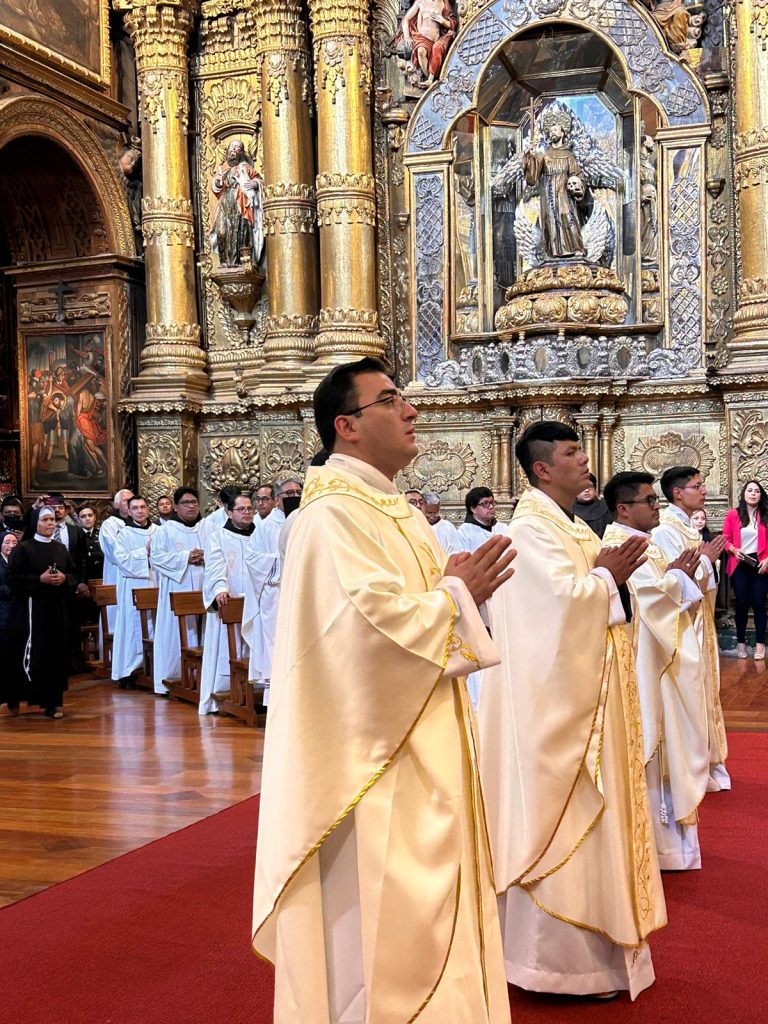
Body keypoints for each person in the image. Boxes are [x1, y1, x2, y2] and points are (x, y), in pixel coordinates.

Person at [252, 357, 516, 1023]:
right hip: (370, 768)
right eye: (391, 400)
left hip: (419, 748)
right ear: (347, 426)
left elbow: (406, 609)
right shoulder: (331, 516)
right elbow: (365, 635)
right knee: (381, 935)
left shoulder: (389, 509)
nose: (411, 410)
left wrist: (449, 586)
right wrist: (459, 595)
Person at [477, 420, 666, 1000]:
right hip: (555, 710)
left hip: (590, 698)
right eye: (570, 452)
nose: (585, 460)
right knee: (564, 821)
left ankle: (597, 959)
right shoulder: (530, 531)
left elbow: (588, 593)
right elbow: (556, 609)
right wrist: (607, 577)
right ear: (541, 469)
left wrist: (608, 576)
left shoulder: (568, 527)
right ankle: (554, 967)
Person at [603, 472, 709, 871]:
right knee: (652, 745)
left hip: (659, 659)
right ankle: (660, 849)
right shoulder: (620, 545)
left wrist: (682, 577)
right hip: (642, 665)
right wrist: (680, 578)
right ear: (623, 509)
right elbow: (648, 600)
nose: (656, 506)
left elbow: (667, 591)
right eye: (648, 501)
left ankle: (673, 848)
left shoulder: (643, 543)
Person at [652, 467, 730, 792]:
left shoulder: (687, 527)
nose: (704, 490)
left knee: (705, 690)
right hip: (684, 623)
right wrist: (707, 561)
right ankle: (689, 767)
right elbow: (676, 583)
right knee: (689, 692)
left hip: (702, 620)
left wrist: (706, 561)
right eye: (697, 486)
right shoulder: (665, 532)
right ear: (677, 493)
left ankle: (708, 761)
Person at [5, 507, 78, 718]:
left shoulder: (60, 549)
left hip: (56, 610)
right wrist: (39, 579)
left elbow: (73, 573)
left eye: (53, 520)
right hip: (30, 610)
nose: (50, 523)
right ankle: (17, 698)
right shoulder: (24, 548)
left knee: (55, 653)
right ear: (35, 523)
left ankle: (53, 703)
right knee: (28, 653)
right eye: (45, 519)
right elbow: (12, 578)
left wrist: (64, 578)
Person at [244, 476, 303, 707]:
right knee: (278, 646)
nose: (295, 497)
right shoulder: (266, 526)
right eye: (289, 494)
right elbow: (252, 559)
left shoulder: (302, 520)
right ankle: (277, 702)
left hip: (299, 594)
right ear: (277, 500)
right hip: (275, 596)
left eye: (299, 491)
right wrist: (284, 561)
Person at [199, 492, 256, 715]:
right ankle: (225, 690)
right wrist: (220, 588)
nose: (247, 512)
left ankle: (258, 689)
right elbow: (214, 566)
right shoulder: (219, 536)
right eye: (241, 509)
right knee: (227, 647)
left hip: (257, 604)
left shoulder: (260, 534)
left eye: (249, 508)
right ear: (229, 513)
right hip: (230, 601)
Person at [150, 487, 206, 696]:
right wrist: (186, 557)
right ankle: (174, 675)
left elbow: (220, 552)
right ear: (175, 507)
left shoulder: (206, 527)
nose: (191, 506)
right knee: (176, 633)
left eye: (194, 502)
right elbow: (156, 558)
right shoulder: (165, 530)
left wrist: (205, 556)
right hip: (177, 589)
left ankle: (203, 677)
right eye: (186, 503)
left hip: (204, 588)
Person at [524, 105, 588, 260]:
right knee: (550, 223)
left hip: (565, 196)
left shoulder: (569, 155)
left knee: (568, 219)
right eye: (550, 130)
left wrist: (578, 186)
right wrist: (530, 157)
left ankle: (576, 249)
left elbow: (578, 175)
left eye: (555, 129)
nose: (552, 132)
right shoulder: (544, 155)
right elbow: (532, 179)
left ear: (563, 132)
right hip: (548, 195)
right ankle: (553, 254)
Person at [111, 496, 157, 688]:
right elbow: (121, 560)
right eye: (135, 508)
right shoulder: (124, 534)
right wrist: (143, 552)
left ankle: (155, 668)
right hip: (133, 586)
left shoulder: (159, 531)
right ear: (128, 511)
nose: (140, 511)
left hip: (155, 583)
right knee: (132, 627)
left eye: (143, 507)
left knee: (155, 625)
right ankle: (129, 670)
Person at [722, 479, 768, 660]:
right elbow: (725, 539)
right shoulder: (733, 515)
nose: (753, 493)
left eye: (757, 491)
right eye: (750, 490)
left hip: (760, 562)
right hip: (740, 561)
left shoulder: (765, 514)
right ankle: (740, 642)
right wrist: (733, 549)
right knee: (741, 603)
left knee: (758, 603)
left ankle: (760, 644)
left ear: (761, 495)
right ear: (744, 494)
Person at [211, 139, 264, 267]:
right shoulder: (222, 167)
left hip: (240, 203)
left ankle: (241, 263)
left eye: (237, 147)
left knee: (240, 232)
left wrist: (254, 184)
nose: (233, 150)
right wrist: (218, 183)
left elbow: (259, 180)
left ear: (241, 152)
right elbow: (216, 184)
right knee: (222, 231)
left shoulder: (245, 167)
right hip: (225, 202)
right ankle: (224, 262)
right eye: (232, 147)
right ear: (228, 150)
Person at [98, 489, 134, 650]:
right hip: (118, 576)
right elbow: (116, 552)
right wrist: (140, 555)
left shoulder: (142, 524)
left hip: (138, 579)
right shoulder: (110, 525)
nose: (131, 504)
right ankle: (115, 655)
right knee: (117, 616)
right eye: (126, 501)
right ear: (117, 504)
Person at [398, 0, 457, 86]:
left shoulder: (444, 3)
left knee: (437, 48)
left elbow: (453, 24)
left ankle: (431, 80)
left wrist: (443, 21)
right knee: (421, 51)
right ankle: (429, 78)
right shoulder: (420, 2)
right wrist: (407, 36)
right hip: (422, 38)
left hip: (438, 39)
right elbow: (406, 19)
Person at [457, 486, 506, 552]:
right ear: (473, 509)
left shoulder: (503, 527)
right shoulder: (464, 532)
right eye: (485, 504)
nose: (491, 507)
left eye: (492, 503)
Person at [0, 533, 18, 702]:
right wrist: (19, 590)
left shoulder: (19, 563)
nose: (11, 545)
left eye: (14, 542)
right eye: (7, 542)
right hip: (3, 614)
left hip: (17, 614)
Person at [572, 472, 612, 538]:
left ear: (595, 489)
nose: (587, 490)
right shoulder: (568, 511)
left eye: (590, 486)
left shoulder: (607, 507)